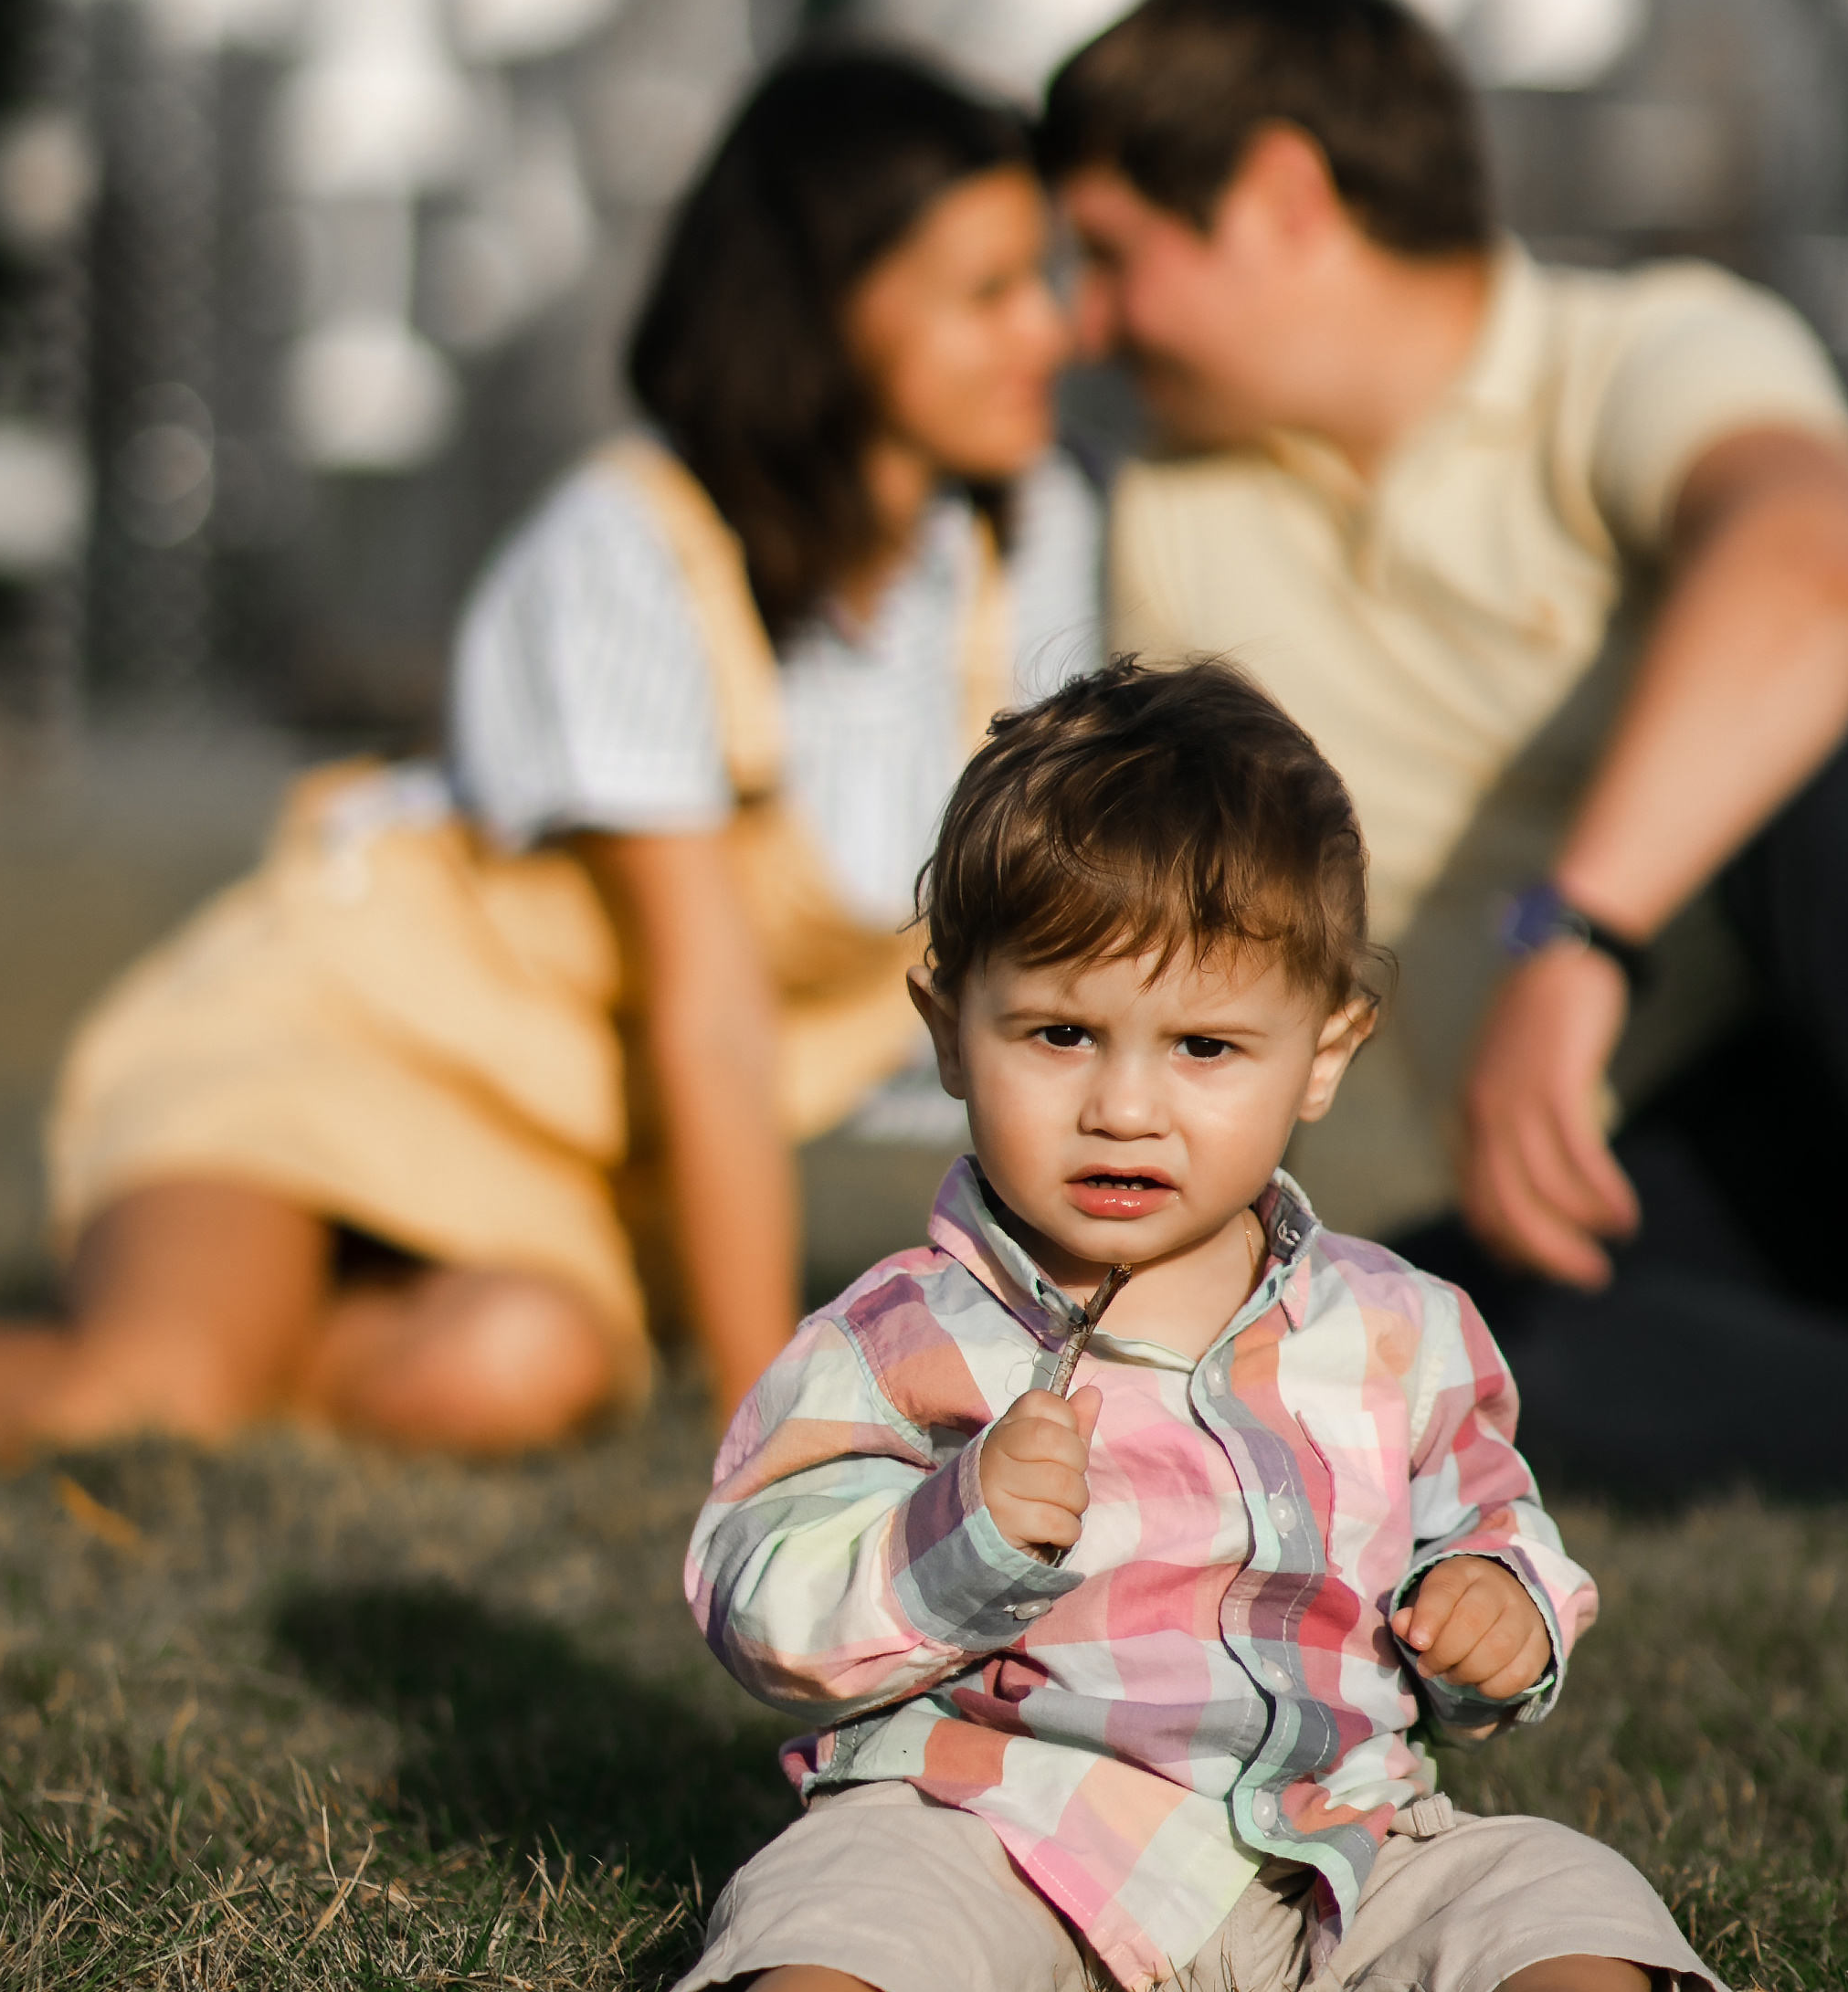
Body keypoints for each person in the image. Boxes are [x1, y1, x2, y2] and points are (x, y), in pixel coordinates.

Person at [1036, 0, 1848, 1618]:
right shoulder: (1173, 521)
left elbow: (1796, 569)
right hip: (1657, 1185)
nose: (1087, 320)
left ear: (1282, 196)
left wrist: (1579, 938)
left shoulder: (1645, 346)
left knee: (1836, 755)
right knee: (1412, 1347)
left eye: (1116, 256)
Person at [0, 46, 1097, 1460]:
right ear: (825, 307)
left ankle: (271, 1339)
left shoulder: (1034, 534)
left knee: (524, 1368)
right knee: (144, 1394)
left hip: (557, 1164)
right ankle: (210, 1323)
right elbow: (709, 1016)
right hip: (334, 1046)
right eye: (989, 292)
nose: (1053, 330)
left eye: (1044, 278)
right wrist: (784, 1435)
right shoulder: (631, 544)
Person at [676, 658, 1722, 1992]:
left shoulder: (1403, 1332)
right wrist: (954, 1531)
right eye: (1060, 1034)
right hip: (994, 1836)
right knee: (841, 1921)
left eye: (1205, 1049)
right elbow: (757, 1591)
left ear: (1326, 1053)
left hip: (1332, 1850)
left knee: (1562, 1903)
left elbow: (1486, 1515)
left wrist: (1498, 1604)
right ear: (948, 1032)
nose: (1125, 1105)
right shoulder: (905, 1336)